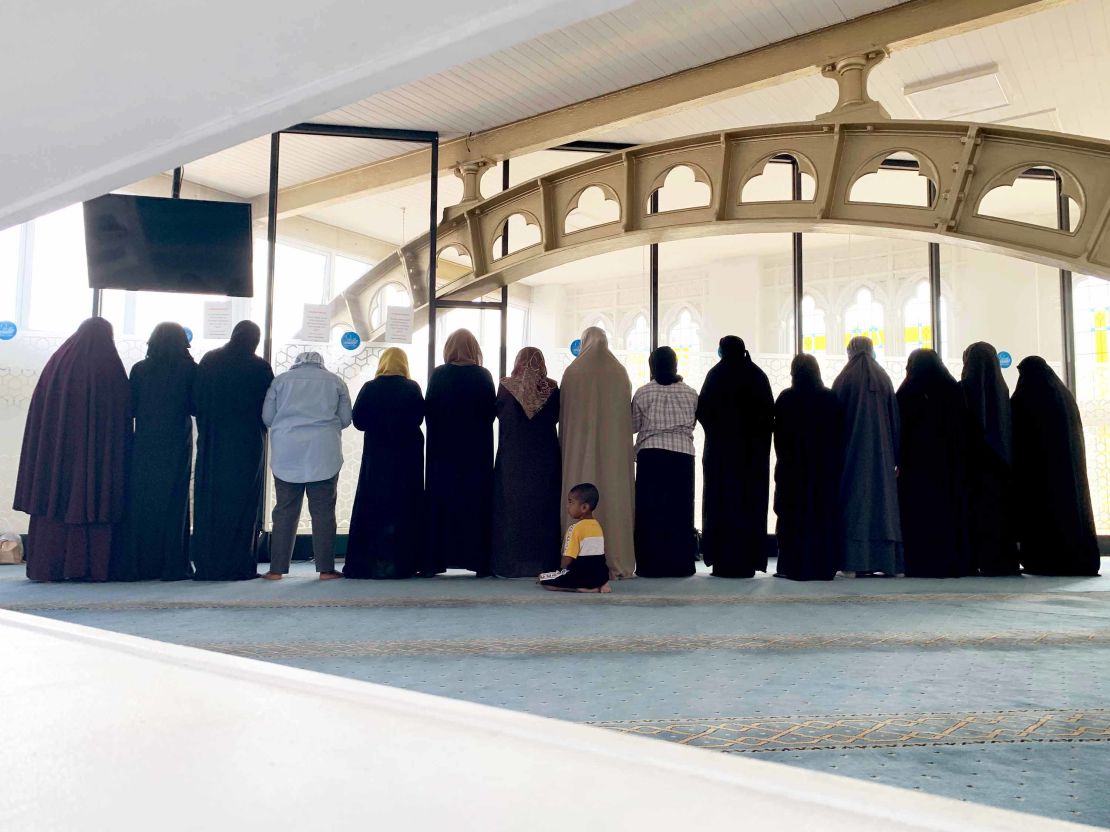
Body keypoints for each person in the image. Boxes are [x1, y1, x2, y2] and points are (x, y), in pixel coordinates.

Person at [14, 317, 130, 582]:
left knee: (55, 500)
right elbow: (123, 411)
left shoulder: (58, 364)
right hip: (97, 460)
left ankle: (48, 567)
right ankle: (91, 567)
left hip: (57, 459)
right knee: (93, 499)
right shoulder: (108, 366)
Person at [191, 321, 274, 580]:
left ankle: (207, 563)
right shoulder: (260, 367)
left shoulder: (210, 360)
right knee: (243, 503)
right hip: (247, 445)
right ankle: (240, 565)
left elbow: (196, 402)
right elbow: (269, 409)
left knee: (211, 500)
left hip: (214, 443)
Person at [114, 322, 196, 581]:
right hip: (176, 443)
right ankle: (172, 566)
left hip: (145, 442)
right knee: (174, 503)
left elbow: (131, 408)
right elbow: (195, 406)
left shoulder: (140, 369)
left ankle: (139, 564)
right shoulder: (189, 369)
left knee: (142, 502)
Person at [261, 351, 352, 580]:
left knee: (284, 511)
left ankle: (276, 570)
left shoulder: (280, 381)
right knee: (323, 512)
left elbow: (268, 418)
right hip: (323, 453)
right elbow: (345, 419)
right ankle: (326, 569)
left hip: (287, 454)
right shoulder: (335, 381)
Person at [1011, 356, 1100, 576]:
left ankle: (1048, 559)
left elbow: (1020, 432)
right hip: (1069, 471)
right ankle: (1075, 556)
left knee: (1047, 514)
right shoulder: (1063, 395)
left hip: (1042, 474)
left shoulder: (1029, 395)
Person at [559, 327, 636, 579]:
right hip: (612, 456)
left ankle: (575, 559)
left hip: (579, 451)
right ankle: (615, 557)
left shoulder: (572, 373)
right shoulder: (619, 373)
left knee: (578, 492)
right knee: (613, 498)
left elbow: (564, 417)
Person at [696, 336, 774, 578]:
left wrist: (720, 434)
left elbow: (703, 411)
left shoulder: (716, 375)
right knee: (749, 506)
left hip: (721, 457)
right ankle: (748, 561)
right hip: (751, 460)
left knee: (721, 505)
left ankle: (721, 561)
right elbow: (768, 416)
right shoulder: (757, 376)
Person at [344, 348, 425, 580]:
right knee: (403, 508)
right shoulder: (412, 388)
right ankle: (402, 564)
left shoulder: (370, 387)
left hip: (377, 458)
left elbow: (358, 421)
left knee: (373, 506)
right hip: (406, 459)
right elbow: (419, 418)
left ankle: (369, 565)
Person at [423, 329, 496, 576]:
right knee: (475, 505)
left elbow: (429, 412)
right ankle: (478, 562)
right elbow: (490, 413)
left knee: (441, 505)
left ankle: (435, 560)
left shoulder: (439, 375)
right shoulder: (483, 375)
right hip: (476, 454)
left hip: (442, 454)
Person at [896, 349, 972, 578]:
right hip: (947, 468)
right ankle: (950, 562)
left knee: (919, 516)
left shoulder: (908, 390)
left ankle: (920, 563)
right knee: (946, 515)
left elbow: (900, 429)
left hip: (916, 469)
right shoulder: (952, 389)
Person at [832, 336, 902, 577]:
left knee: (855, 505)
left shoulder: (844, 378)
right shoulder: (884, 378)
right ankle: (885, 562)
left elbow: (835, 421)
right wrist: (896, 457)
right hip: (882, 459)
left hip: (851, 457)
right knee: (882, 507)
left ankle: (853, 562)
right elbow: (895, 421)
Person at [772, 354, 843, 581]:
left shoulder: (786, 398)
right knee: (822, 516)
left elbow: (779, 437)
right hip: (824, 471)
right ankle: (823, 566)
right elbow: (839, 436)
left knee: (793, 517)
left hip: (793, 471)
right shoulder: (830, 398)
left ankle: (791, 566)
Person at [492, 347, 561, 578]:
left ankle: (511, 564)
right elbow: (557, 417)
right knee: (542, 509)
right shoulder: (551, 387)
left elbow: (500, 414)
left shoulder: (506, 386)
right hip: (544, 458)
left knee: (512, 508)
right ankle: (542, 563)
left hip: (513, 458)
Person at [632, 346, 698, 578]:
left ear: (652, 366)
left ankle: (650, 566)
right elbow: (694, 423)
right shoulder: (690, 393)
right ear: (675, 365)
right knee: (679, 512)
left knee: (651, 512)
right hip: (682, 455)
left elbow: (633, 426)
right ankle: (680, 565)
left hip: (651, 456)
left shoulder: (643, 393)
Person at [959, 342, 1020, 575]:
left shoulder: (964, 388)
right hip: (1001, 465)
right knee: (1000, 516)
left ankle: (977, 559)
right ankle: (1002, 561)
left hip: (974, 466)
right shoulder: (1002, 389)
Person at [539, 483, 611, 593]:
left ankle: (580, 588)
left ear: (584, 507)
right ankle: (601, 585)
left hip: (582, 575)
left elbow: (567, 558)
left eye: (570, 502)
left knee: (545, 581)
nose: (568, 506)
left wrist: (561, 571)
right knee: (594, 569)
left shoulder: (575, 528)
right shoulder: (597, 526)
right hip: (601, 575)